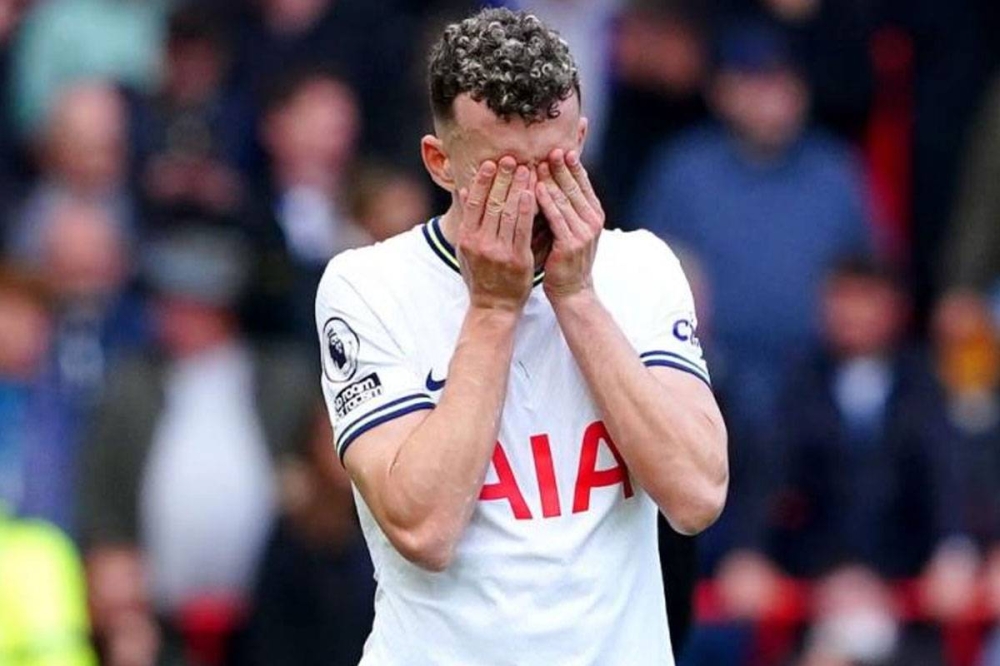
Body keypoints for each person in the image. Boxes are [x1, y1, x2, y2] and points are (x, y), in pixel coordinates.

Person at [315, 8, 728, 665]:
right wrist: (492, 310)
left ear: (581, 140)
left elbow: (697, 495)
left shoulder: (642, 266)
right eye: (503, 173)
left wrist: (578, 297)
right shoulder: (367, 286)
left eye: (554, 165)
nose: (532, 196)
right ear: (440, 162)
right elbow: (424, 528)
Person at [78, 226, 315, 665]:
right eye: (167, 304)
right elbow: (102, 486)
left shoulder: (282, 381)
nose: (172, 317)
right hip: (157, 619)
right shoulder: (132, 384)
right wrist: (110, 559)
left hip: (272, 619)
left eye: (189, 305)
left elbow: (324, 473)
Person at [632, 19, 873, 430]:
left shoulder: (836, 171)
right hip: (708, 379)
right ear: (720, 91)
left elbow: (874, 278)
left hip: (820, 384)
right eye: (754, 81)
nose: (770, 96)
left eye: (782, 80)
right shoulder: (683, 171)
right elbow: (641, 284)